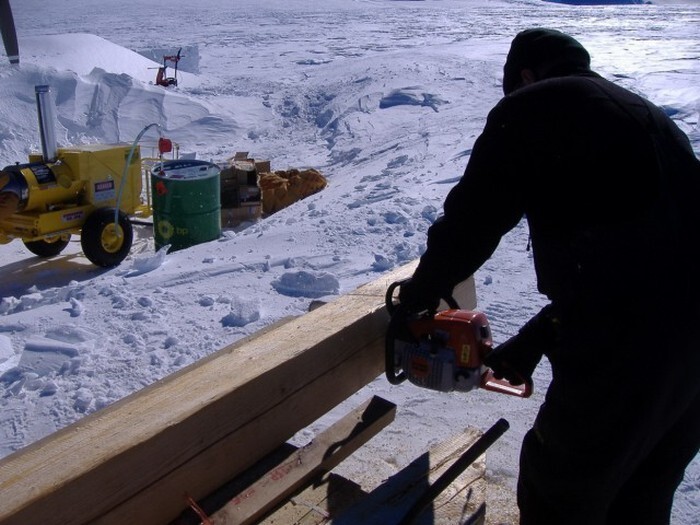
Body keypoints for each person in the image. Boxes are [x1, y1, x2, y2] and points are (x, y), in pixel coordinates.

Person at [397, 28, 700, 524]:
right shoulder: (645, 117)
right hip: (689, 352)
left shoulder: (532, 107)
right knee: (639, 491)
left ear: (525, 76)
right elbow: (646, 257)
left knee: (557, 487)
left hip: (630, 345)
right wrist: (540, 336)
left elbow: (472, 221)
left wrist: (419, 295)